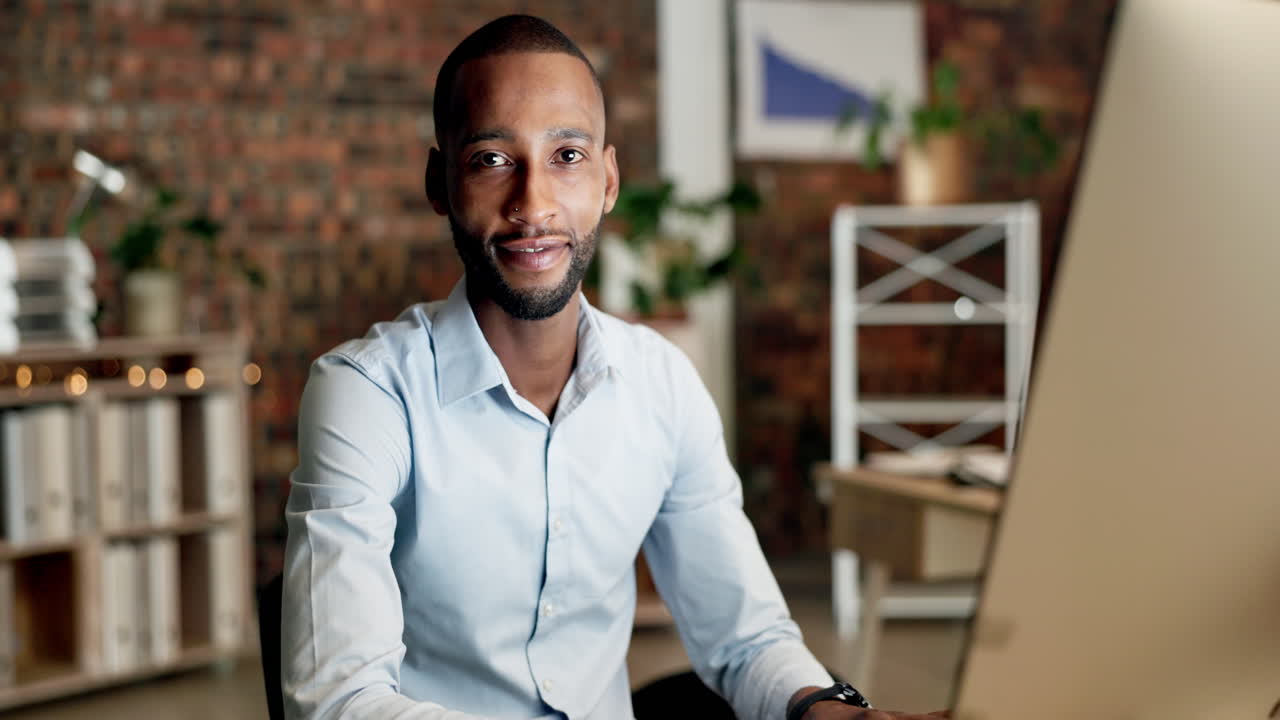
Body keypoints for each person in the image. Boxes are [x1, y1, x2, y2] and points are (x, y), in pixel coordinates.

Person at [281, 14, 947, 720]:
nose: (532, 205)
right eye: (492, 160)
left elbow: (747, 638)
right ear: (439, 183)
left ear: (608, 179)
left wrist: (828, 710)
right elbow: (339, 702)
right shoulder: (367, 393)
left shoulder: (661, 383)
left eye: (566, 155)